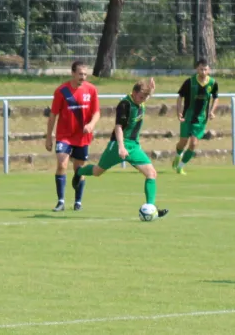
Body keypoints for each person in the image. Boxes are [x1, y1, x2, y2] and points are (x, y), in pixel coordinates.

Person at [73, 78, 169, 218]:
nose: (143, 100)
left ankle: (151, 207)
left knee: (151, 173)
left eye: (146, 97)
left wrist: (151, 91)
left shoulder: (140, 100)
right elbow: (118, 127)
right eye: (141, 97)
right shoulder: (125, 104)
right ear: (134, 93)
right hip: (118, 144)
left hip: (134, 146)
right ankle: (79, 171)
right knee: (97, 171)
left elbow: (145, 96)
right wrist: (121, 147)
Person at [45, 61, 100, 212]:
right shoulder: (61, 91)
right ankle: (60, 201)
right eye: (80, 74)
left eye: (85, 74)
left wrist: (91, 125)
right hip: (64, 136)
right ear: (73, 73)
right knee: (62, 165)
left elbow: (96, 112)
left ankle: (78, 202)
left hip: (82, 137)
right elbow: (53, 115)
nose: (83, 77)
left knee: (79, 170)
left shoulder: (91, 90)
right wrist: (49, 137)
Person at [172, 59, 219, 175]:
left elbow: (215, 97)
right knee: (183, 142)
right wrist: (179, 112)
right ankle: (178, 155)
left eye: (205, 69)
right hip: (187, 117)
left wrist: (212, 111)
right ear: (197, 69)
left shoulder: (213, 83)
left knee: (193, 143)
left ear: (209, 70)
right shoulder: (189, 82)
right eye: (201, 69)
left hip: (201, 119)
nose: (203, 71)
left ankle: (181, 167)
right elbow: (180, 97)